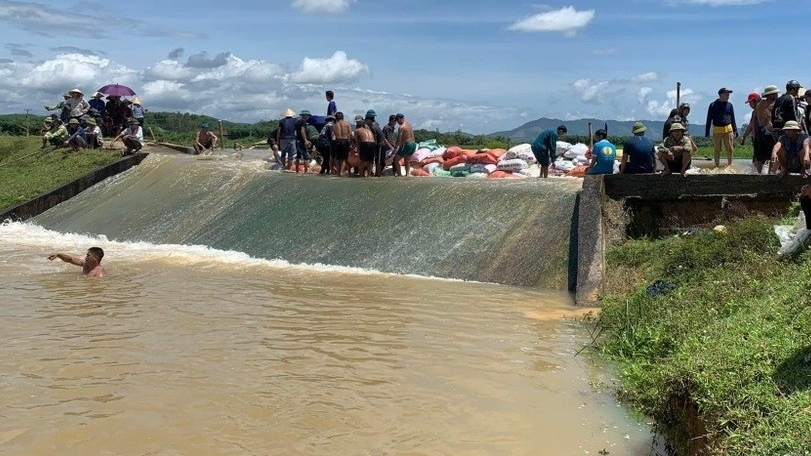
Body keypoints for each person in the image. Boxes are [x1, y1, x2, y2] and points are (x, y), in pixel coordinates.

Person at [704, 87, 738, 168]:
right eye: (727, 94)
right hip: (717, 129)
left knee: (729, 148)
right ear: (721, 95)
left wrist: (735, 130)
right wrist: (707, 132)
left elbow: (733, 118)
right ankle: (716, 165)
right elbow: (709, 119)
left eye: (729, 95)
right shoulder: (712, 105)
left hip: (728, 129)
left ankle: (730, 165)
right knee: (717, 149)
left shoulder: (730, 105)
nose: (728, 96)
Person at [364, 110, 386, 177]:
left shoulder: (373, 127)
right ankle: (376, 174)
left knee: (378, 161)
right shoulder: (376, 124)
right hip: (380, 145)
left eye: (367, 121)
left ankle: (378, 174)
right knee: (377, 160)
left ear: (369, 120)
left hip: (380, 145)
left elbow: (375, 139)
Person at [331, 112, 352, 176]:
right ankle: (341, 172)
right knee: (344, 158)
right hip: (345, 140)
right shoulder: (347, 124)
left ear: (336, 118)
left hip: (337, 141)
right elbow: (350, 134)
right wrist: (350, 143)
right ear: (343, 117)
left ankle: (338, 172)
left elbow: (333, 135)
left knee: (338, 158)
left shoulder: (335, 125)